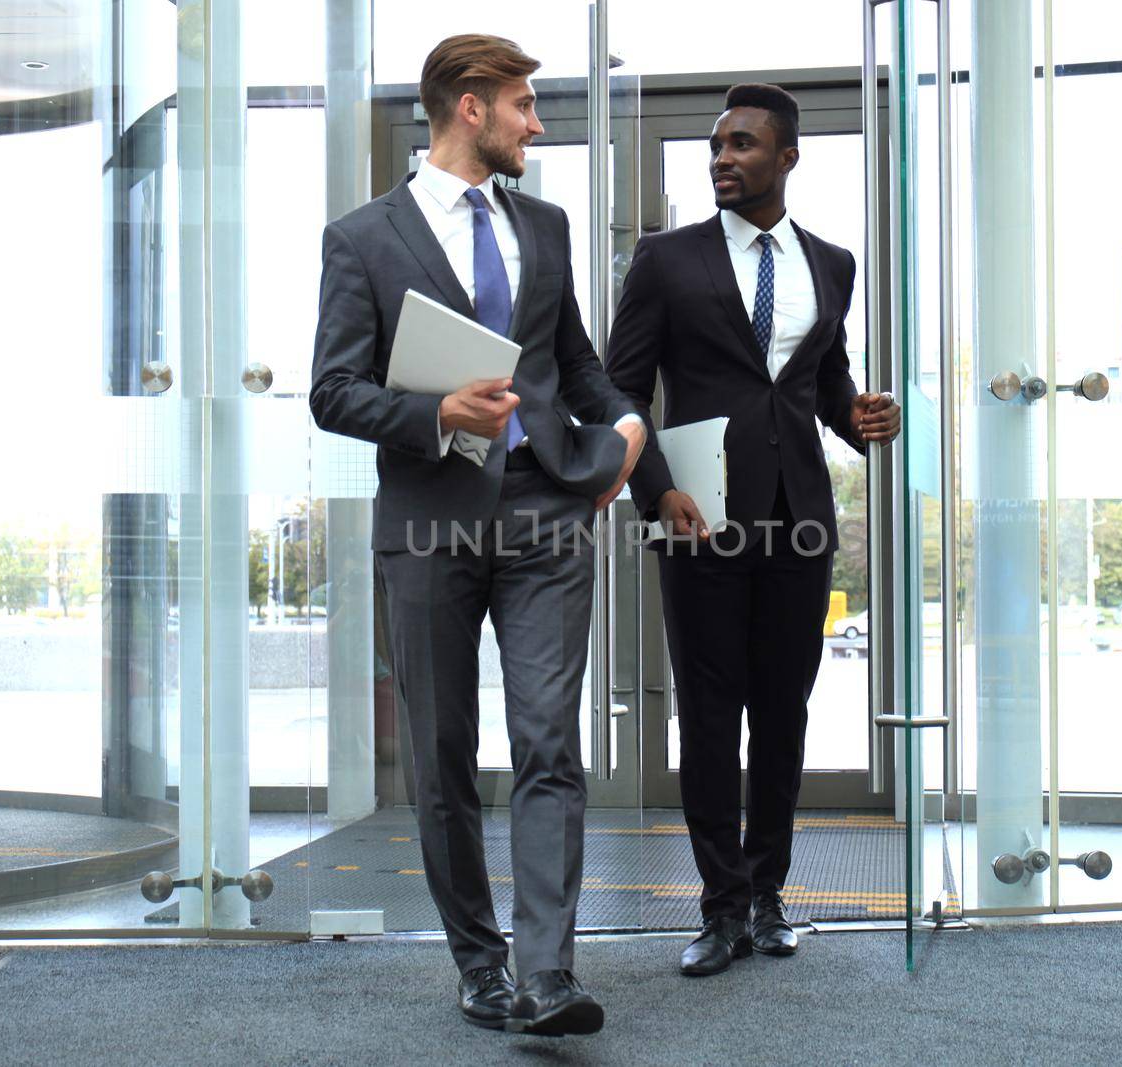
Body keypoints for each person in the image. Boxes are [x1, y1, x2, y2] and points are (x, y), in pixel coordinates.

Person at [310, 33, 645, 1036]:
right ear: (469, 106)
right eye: (524, 107)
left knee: (548, 741)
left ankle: (547, 973)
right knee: (443, 749)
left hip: (546, 508)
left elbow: (574, 365)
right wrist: (435, 416)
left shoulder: (541, 226)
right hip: (428, 521)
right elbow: (333, 389)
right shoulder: (363, 236)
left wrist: (626, 428)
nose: (536, 125)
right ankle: (479, 962)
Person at [605, 83, 901, 977]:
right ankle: (720, 905)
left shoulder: (831, 262)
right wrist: (653, 492)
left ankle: (769, 892)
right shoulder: (665, 259)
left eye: (741, 144)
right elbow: (622, 387)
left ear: (787, 157)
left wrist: (861, 417)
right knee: (708, 713)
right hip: (696, 516)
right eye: (717, 145)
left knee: (783, 711)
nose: (722, 157)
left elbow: (820, 385)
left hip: (797, 521)